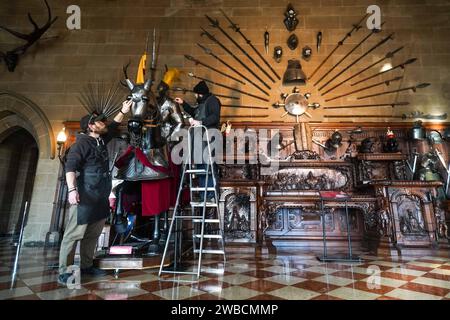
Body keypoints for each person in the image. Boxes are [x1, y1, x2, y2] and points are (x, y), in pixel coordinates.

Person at [57, 99, 132, 286]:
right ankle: (64, 271)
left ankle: (86, 265)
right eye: (99, 122)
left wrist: (123, 110)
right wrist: (72, 190)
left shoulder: (98, 140)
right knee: (74, 234)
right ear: (91, 126)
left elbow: (113, 127)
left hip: (100, 195)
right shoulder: (81, 144)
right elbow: (70, 168)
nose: (103, 123)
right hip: (84, 195)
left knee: (92, 234)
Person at [174, 81, 221, 201]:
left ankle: (210, 195)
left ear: (199, 94)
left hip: (208, 138)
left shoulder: (213, 101)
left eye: (196, 94)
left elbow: (215, 117)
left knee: (208, 166)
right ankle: (203, 195)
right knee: (200, 167)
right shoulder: (203, 103)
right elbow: (195, 112)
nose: (195, 96)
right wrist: (183, 103)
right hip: (198, 139)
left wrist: (200, 123)